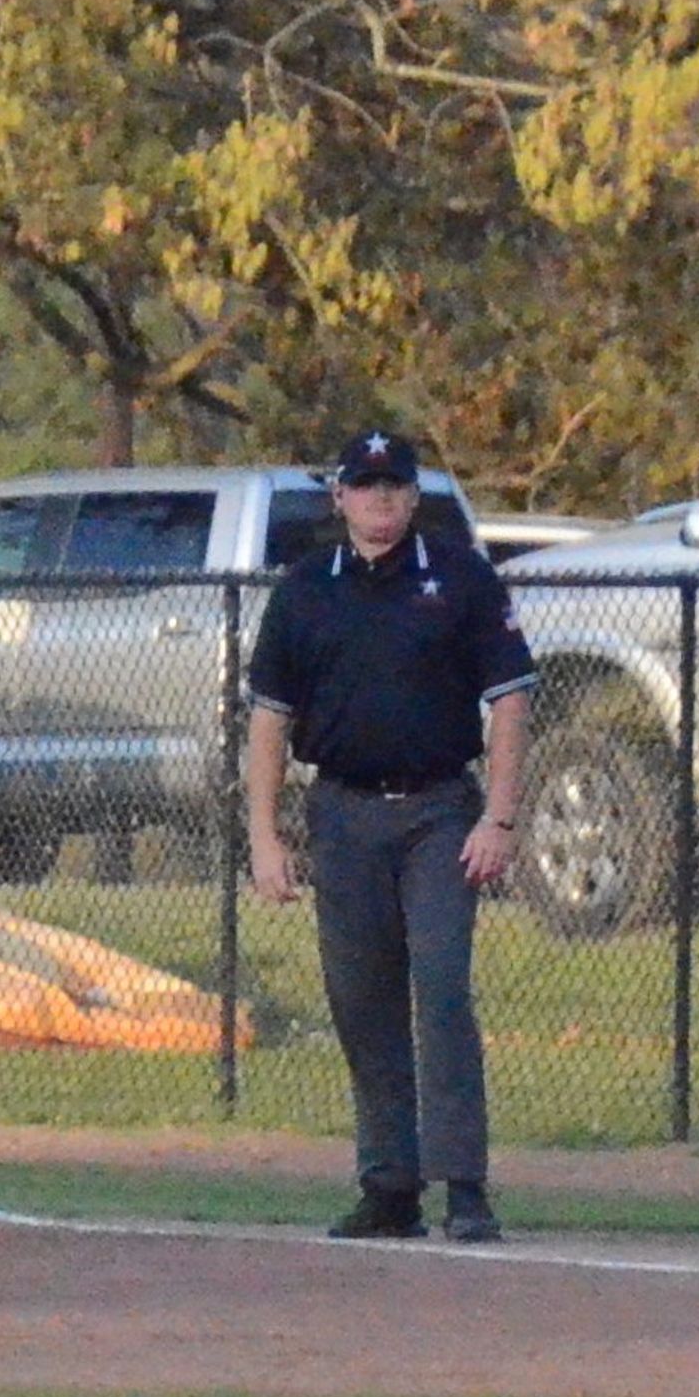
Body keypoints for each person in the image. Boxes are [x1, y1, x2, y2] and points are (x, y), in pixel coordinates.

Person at [243, 430, 536, 1245]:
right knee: (361, 1001)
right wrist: (264, 836)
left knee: (440, 990)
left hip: (440, 812)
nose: (379, 501)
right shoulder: (306, 589)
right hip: (343, 815)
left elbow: (510, 700)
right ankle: (390, 1184)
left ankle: (464, 1185)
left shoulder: (459, 578)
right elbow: (270, 718)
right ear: (338, 497)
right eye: (363, 486)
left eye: (392, 487)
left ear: (414, 498)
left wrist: (500, 816)